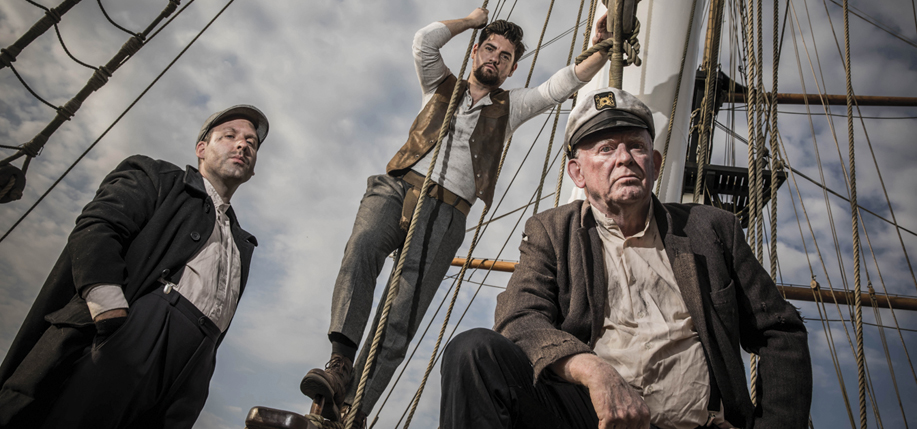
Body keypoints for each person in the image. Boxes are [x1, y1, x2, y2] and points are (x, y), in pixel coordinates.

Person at [299, 7, 616, 424]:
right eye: (490, 49)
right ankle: (340, 363)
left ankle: (353, 410)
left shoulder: (511, 107)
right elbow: (424, 42)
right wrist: (470, 21)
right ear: (475, 52)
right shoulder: (438, 84)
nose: (495, 59)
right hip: (398, 187)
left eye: (505, 57)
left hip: (447, 213)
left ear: (511, 68)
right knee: (361, 250)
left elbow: (561, 85)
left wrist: (603, 47)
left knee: (402, 314)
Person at [439, 87, 812, 429]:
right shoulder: (552, 232)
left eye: (635, 146)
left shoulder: (711, 229)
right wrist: (593, 370)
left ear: (654, 162)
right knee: (474, 353)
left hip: (699, 424)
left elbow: (779, 330)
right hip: (590, 419)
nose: (624, 159)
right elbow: (520, 318)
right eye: (605, 149)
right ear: (577, 173)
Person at [0, 105, 270, 429]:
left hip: (191, 365)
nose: (243, 145)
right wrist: (108, 308)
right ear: (201, 149)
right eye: (230, 136)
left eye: (251, 143)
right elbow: (98, 226)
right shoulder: (157, 177)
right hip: (125, 336)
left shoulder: (242, 243)